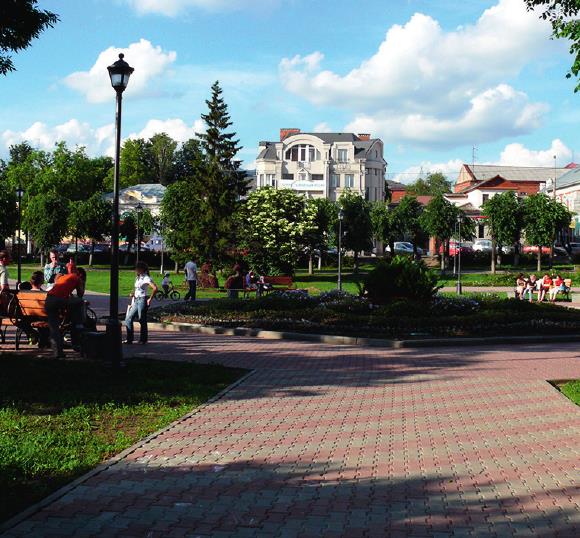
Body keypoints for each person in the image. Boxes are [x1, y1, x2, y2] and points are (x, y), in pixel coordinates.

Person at [45, 267, 86, 358]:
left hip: (49, 300)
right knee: (80, 302)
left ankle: (58, 353)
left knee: (54, 329)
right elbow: (80, 294)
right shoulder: (77, 278)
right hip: (59, 300)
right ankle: (78, 323)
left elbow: (59, 288)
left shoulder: (63, 277)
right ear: (81, 275)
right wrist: (82, 283)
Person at [124, 261, 158, 345]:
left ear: (142, 269)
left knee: (142, 319)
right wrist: (133, 294)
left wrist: (150, 299)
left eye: (137, 268)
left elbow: (155, 288)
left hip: (142, 299)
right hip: (136, 300)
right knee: (128, 319)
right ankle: (129, 339)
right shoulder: (138, 277)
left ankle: (143, 339)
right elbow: (137, 288)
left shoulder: (146, 278)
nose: (136, 270)